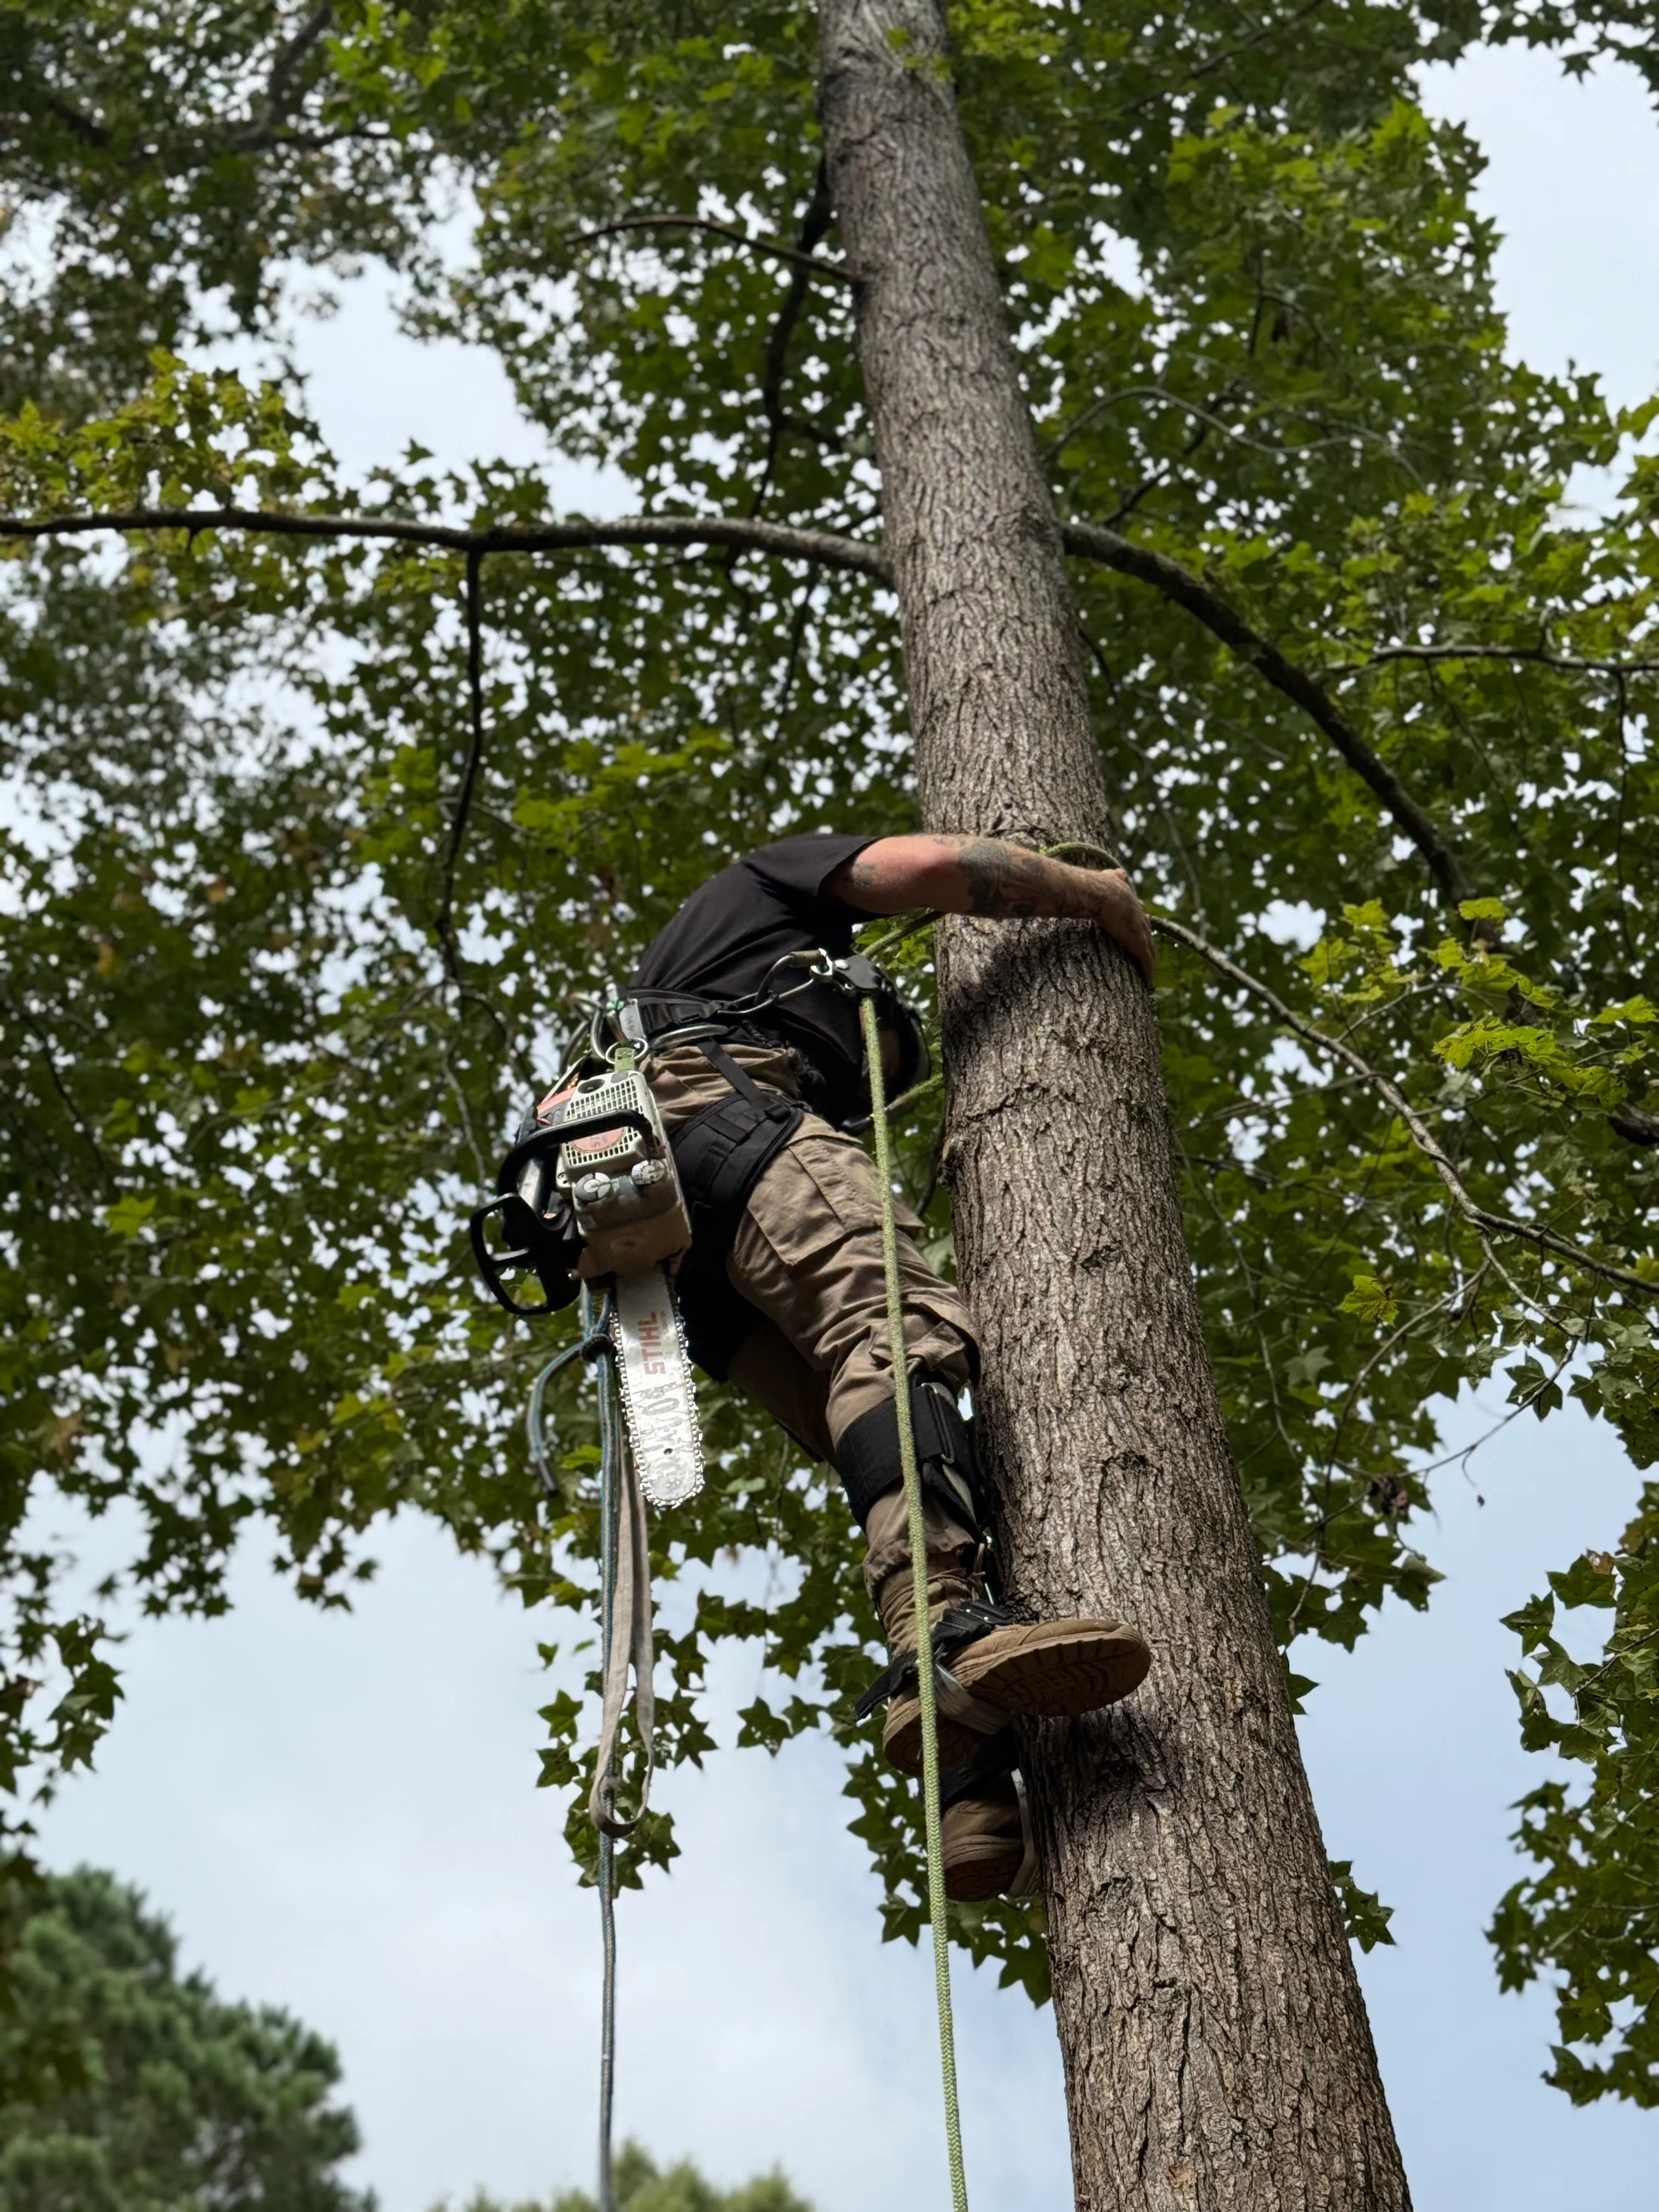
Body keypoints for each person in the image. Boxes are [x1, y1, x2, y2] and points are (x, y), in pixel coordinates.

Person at [613, 831, 1157, 1899]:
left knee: (913, 1448)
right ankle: (944, 1634)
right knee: (898, 1334)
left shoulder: (676, 980)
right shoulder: (765, 878)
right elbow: (939, 867)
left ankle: (972, 1787)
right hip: (720, 1118)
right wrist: (1095, 896)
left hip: (675, 1269)